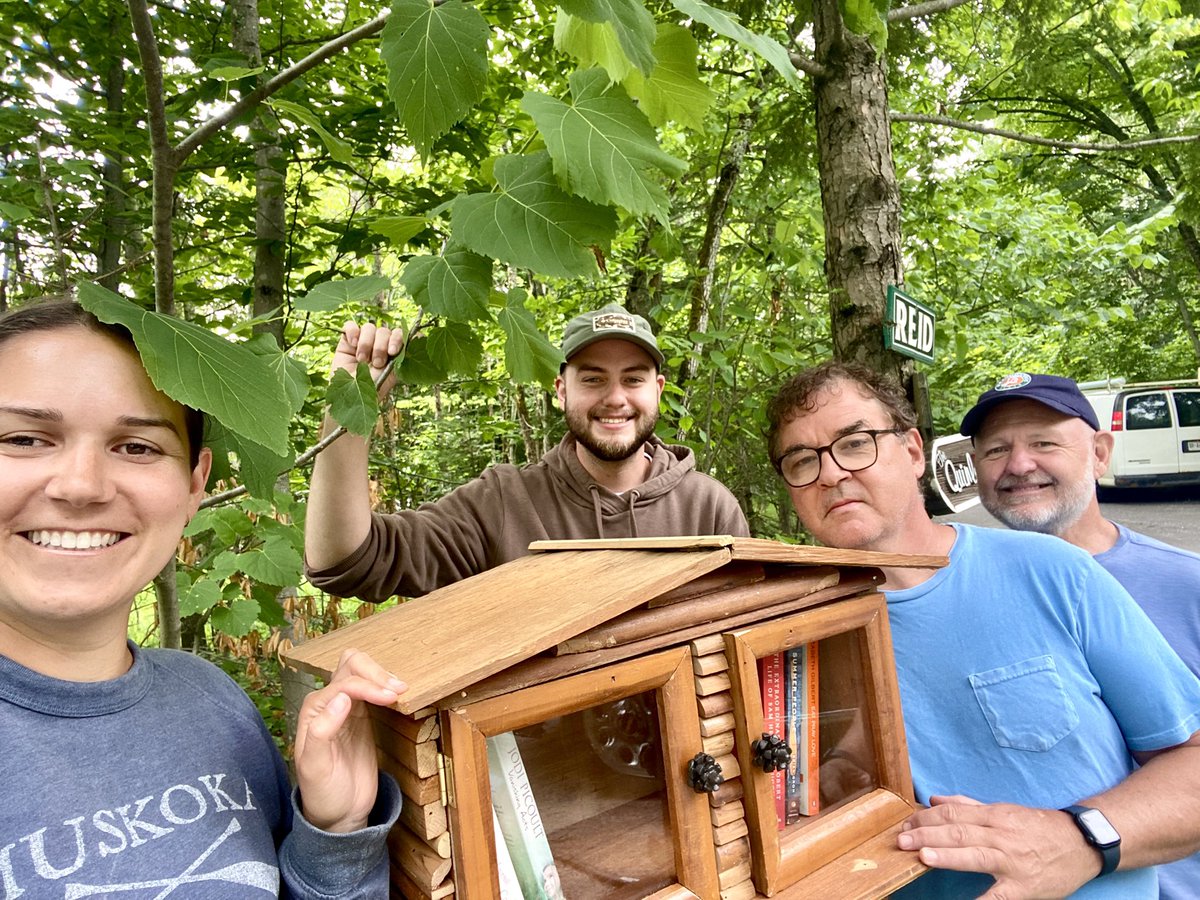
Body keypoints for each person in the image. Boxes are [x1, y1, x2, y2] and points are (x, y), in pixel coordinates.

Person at [0, 300, 403, 898]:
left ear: (194, 485)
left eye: (137, 447)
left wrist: (335, 834)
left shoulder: (211, 701)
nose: (81, 486)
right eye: (24, 439)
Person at [765, 360, 1200, 899]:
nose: (830, 473)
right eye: (802, 460)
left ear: (914, 451)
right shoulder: (786, 631)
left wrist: (1081, 839)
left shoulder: (1051, 571)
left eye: (855, 444)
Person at [305, 302, 749, 602]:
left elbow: (747, 637)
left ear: (658, 390)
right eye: (593, 379)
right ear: (561, 390)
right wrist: (350, 403)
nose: (616, 398)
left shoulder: (708, 509)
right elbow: (348, 561)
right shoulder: (503, 503)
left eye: (633, 379)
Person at [962, 371, 1200, 899]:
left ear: (1099, 453)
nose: (1019, 465)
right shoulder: (958, 596)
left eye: (1044, 443)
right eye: (996, 449)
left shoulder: (1189, 585)